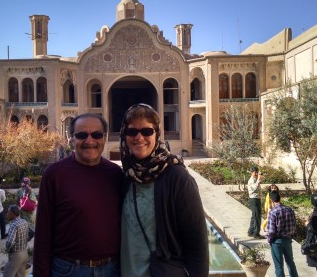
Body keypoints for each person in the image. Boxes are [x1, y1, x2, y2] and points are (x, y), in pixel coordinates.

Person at [119, 103, 209, 277]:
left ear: (157, 134)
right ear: (124, 135)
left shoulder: (176, 176)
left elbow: (197, 242)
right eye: (132, 131)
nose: (139, 137)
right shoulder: (126, 176)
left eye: (146, 131)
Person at [33, 113, 124, 277]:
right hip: (69, 270)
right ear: (72, 139)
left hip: (112, 269)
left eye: (96, 135)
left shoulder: (116, 174)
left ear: (104, 138)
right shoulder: (55, 174)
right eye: (82, 135)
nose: (90, 141)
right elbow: (43, 232)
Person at [266, 190, 299, 277]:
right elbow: (294, 225)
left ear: (271, 200)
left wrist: (269, 240)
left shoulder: (273, 212)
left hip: (277, 242)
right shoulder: (289, 210)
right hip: (288, 240)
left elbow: (271, 231)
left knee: (279, 266)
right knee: (290, 262)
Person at [3, 205, 33, 277]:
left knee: (7, 274)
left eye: (8, 213)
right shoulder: (24, 221)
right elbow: (31, 233)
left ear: (12, 214)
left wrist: (6, 249)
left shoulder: (13, 225)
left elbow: (10, 242)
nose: (7, 214)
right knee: (20, 275)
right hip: (25, 253)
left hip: (16, 256)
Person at [247, 166, 264, 239]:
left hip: (257, 199)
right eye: (255, 172)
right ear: (251, 173)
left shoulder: (256, 179)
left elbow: (262, 179)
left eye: (257, 172)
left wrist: (260, 177)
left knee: (254, 216)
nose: (256, 174)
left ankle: (251, 231)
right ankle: (256, 233)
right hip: (254, 199)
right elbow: (253, 188)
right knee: (257, 217)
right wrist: (258, 181)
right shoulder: (251, 180)